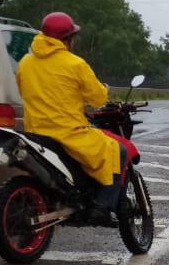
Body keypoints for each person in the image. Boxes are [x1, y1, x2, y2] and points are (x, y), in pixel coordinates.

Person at [16, 12, 126, 222]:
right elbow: (96, 98)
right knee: (117, 151)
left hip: (35, 134)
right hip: (68, 135)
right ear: (67, 39)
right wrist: (104, 88)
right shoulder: (75, 64)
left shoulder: (25, 63)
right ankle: (101, 207)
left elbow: (23, 92)